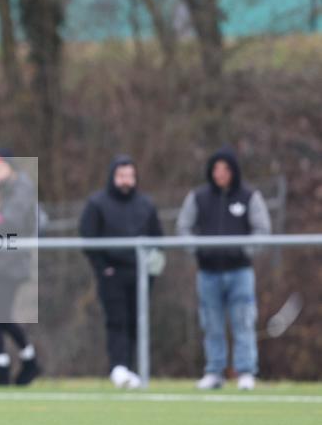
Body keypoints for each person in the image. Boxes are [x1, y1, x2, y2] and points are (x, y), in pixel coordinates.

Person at [176, 147, 271, 391]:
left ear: (233, 171)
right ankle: (214, 371)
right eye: (216, 168)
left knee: (243, 321)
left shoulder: (249, 197)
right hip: (208, 273)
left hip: (240, 272)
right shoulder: (198, 197)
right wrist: (199, 250)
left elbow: (262, 231)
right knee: (211, 323)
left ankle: (246, 372)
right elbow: (183, 228)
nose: (220, 173)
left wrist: (242, 251)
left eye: (225, 169)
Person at [79, 155, 163, 389]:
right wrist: (103, 268)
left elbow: (159, 240)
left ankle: (133, 368)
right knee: (117, 321)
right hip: (111, 274)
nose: (126, 181)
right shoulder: (97, 204)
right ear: (113, 176)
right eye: (121, 176)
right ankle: (119, 367)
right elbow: (88, 238)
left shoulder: (146, 205)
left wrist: (151, 272)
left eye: (130, 176)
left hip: (140, 274)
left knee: (138, 321)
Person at [0, 148, 40, 386]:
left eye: (0, 167)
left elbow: (11, 222)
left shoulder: (21, 189)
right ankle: (2, 366)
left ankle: (29, 361)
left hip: (10, 263)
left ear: (11, 168)